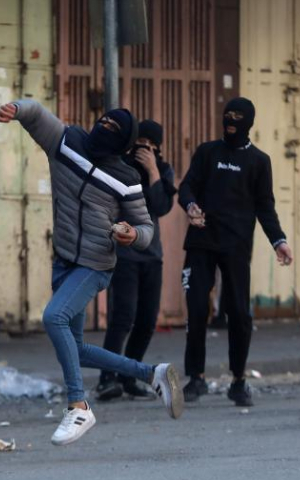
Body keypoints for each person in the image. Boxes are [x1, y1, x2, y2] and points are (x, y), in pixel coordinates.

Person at [0, 100, 184, 447]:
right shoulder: (66, 143)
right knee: (76, 349)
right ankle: (150, 373)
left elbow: (146, 228)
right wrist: (16, 109)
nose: (104, 129)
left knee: (54, 318)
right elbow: (37, 116)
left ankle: (78, 405)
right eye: (103, 122)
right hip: (63, 259)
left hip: (95, 265)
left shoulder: (126, 179)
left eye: (113, 129)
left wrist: (132, 235)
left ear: (123, 143)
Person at [178, 97, 293, 408]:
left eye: (238, 116)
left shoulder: (259, 161)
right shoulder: (207, 152)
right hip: (202, 242)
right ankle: (196, 377)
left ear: (249, 122)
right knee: (198, 308)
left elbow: (265, 207)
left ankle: (238, 380)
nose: (231, 120)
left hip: (236, 245)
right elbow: (187, 187)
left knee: (239, 314)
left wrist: (278, 240)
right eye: (227, 115)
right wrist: (191, 206)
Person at [95, 120, 177, 401]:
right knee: (122, 317)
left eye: (152, 147)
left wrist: (153, 169)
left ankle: (129, 375)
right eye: (142, 144)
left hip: (152, 256)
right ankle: (107, 378)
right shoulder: (121, 167)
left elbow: (161, 207)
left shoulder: (162, 170)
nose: (146, 150)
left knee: (147, 320)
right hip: (125, 254)